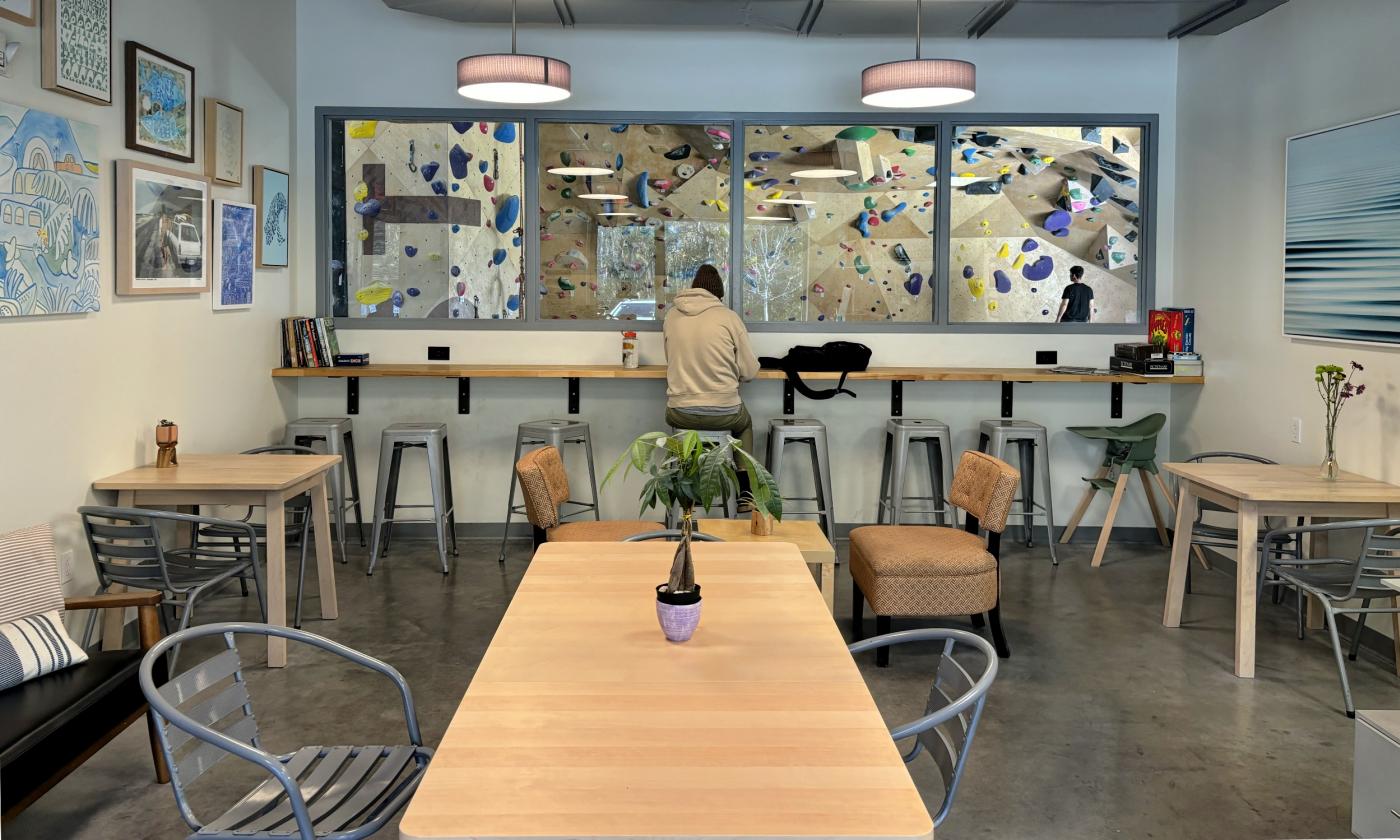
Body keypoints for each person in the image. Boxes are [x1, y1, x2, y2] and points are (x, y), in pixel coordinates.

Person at [663, 264, 760, 464]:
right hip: (724, 413)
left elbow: (670, 358)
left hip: (680, 412)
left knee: (682, 427)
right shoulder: (729, 317)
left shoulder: (671, 317)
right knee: (744, 426)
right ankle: (746, 490)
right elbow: (750, 372)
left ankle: (686, 489)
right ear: (718, 295)